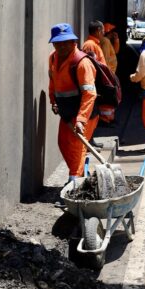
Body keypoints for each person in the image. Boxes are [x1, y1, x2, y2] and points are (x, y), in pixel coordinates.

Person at [47, 23, 100, 182]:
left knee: (76, 148)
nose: (62, 46)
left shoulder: (82, 63)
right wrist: (53, 101)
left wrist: (81, 119)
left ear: (73, 42)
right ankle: (82, 177)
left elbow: (90, 94)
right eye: (58, 43)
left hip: (84, 115)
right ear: (54, 43)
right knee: (63, 144)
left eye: (66, 42)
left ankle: (74, 187)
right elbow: (53, 81)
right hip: (67, 112)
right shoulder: (53, 58)